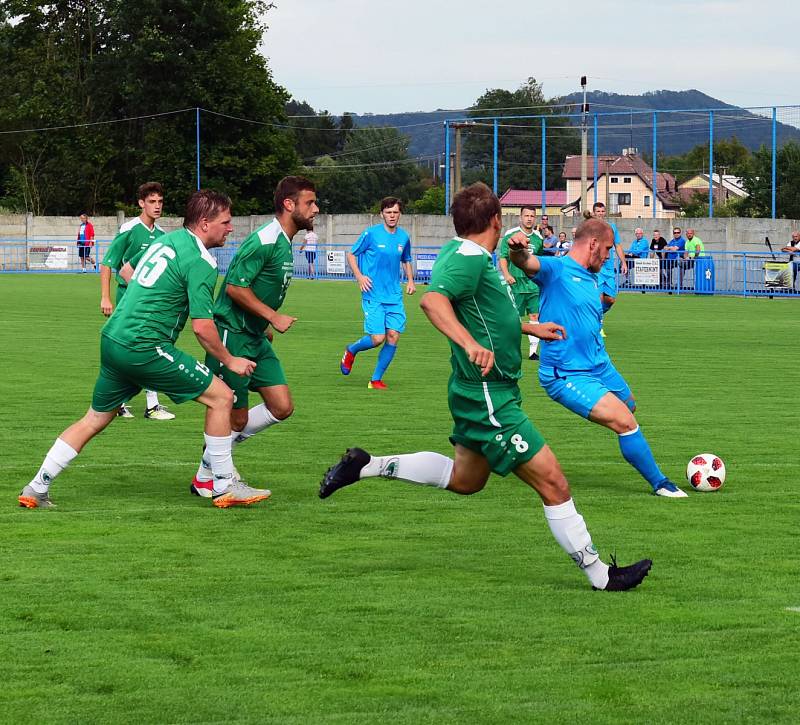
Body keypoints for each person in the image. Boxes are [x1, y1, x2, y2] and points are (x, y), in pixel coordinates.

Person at [319, 183, 652, 592]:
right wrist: (470, 344)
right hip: (489, 394)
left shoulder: (469, 253)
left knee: (465, 480)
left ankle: (366, 464)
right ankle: (602, 575)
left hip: (483, 391)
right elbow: (433, 301)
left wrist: (528, 327)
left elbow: (482, 311)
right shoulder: (468, 259)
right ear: (496, 220)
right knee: (553, 481)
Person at [19, 190, 271, 510]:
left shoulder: (167, 241)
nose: (231, 228)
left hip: (113, 339)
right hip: (144, 346)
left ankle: (36, 486)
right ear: (205, 223)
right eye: (226, 222)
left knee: (95, 417)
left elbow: (127, 268)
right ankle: (224, 486)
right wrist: (230, 359)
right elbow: (202, 327)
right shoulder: (201, 261)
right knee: (222, 397)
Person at [508, 217, 686, 498]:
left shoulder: (592, 277)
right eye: (606, 249)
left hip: (599, 365)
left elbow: (587, 315)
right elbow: (526, 262)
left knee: (629, 406)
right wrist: (517, 250)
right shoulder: (556, 269)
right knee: (625, 423)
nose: (608, 256)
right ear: (592, 244)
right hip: (565, 373)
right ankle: (661, 483)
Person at [190, 177, 319, 497]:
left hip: (255, 336)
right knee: (235, 416)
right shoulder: (265, 239)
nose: (315, 209)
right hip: (232, 334)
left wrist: (264, 326)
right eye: (310, 203)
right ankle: (214, 478)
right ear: (289, 205)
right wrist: (272, 316)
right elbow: (234, 287)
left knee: (282, 405)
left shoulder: (285, 241)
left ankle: (208, 469)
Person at [100, 182, 174, 420]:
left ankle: (122, 402)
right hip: (126, 298)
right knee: (143, 345)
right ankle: (149, 406)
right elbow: (108, 263)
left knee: (143, 345)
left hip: (149, 301)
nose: (157, 206)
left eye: (160, 202)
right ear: (141, 203)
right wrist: (105, 297)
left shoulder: (162, 235)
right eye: (152, 202)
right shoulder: (129, 229)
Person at [339, 197, 415, 389]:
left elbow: (406, 259)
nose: (392, 216)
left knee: (393, 336)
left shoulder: (404, 237)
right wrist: (360, 277)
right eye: (388, 212)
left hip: (394, 296)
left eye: (395, 212)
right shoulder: (371, 234)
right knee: (377, 338)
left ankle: (375, 380)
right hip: (373, 294)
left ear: (400, 214)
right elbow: (351, 254)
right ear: (381, 214)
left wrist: (411, 281)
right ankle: (351, 350)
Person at [498, 205, 544, 360]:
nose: (529, 218)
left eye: (532, 216)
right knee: (513, 317)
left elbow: (539, 260)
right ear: (520, 217)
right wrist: (506, 274)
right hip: (515, 283)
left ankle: (533, 352)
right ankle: (510, 348)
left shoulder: (538, 238)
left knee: (535, 316)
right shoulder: (511, 235)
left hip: (533, 284)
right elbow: (503, 256)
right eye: (526, 215)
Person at [591, 202, 627, 325]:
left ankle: (596, 314)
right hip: (596, 267)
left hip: (609, 268)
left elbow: (617, 245)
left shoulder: (611, 227)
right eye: (598, 211)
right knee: (599, 297)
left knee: (610, 300)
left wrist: (624, 262)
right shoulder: (590, 228)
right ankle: (598, 323)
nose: (600, 213)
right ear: (593, 213)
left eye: (602, 211)